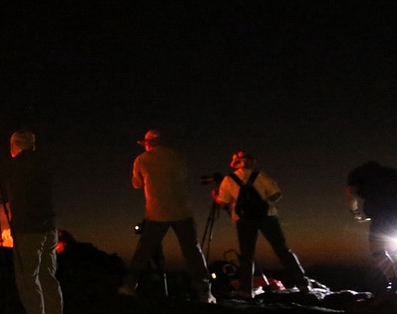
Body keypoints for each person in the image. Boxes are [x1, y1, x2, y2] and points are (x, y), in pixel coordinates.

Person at [0, 130, 69, 314]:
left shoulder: (14, 164)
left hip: (29, 230)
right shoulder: (42, 164)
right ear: (33, 146)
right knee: (48, 275)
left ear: (14, 146)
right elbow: (24, 189)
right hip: (49, 228)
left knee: (28, 278)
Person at [119, 129, 213, 302]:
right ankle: (204, 292)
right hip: (182, 211)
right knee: (192, 251)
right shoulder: (178, 157)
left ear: (147, 144)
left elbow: (137, 184)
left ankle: (129, 286)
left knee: (144, 251)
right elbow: (183, 176)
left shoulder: (141, 160)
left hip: (156, 212)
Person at [210, 150, 308, 297]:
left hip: (243, 220)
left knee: (247, 254)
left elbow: (223, 201)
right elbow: (276, 195)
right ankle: (301, 283)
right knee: (282, 249)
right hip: (267, 216)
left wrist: (216, 195)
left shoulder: (228, 180)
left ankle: (245, 289)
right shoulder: (260, 175)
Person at [346, 160, 397, 286]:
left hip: (380, 216)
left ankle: (394, 282)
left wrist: (356, 212)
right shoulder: (393, 173)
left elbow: (350, 193)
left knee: (377, 251)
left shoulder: (357, 175)